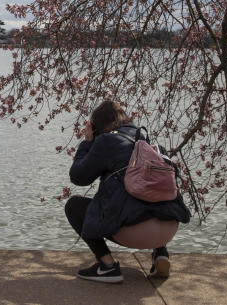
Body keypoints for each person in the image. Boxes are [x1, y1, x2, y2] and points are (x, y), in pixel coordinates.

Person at [65, 99, 190, 284]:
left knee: (74, 205)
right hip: (168, 228)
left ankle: (107, 266)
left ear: (97, 126)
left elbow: (78, 177)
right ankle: (161, 254)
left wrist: (87, 143)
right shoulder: (149, 144)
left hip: (136, 233)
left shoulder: (107, 141)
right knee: (151, 194)